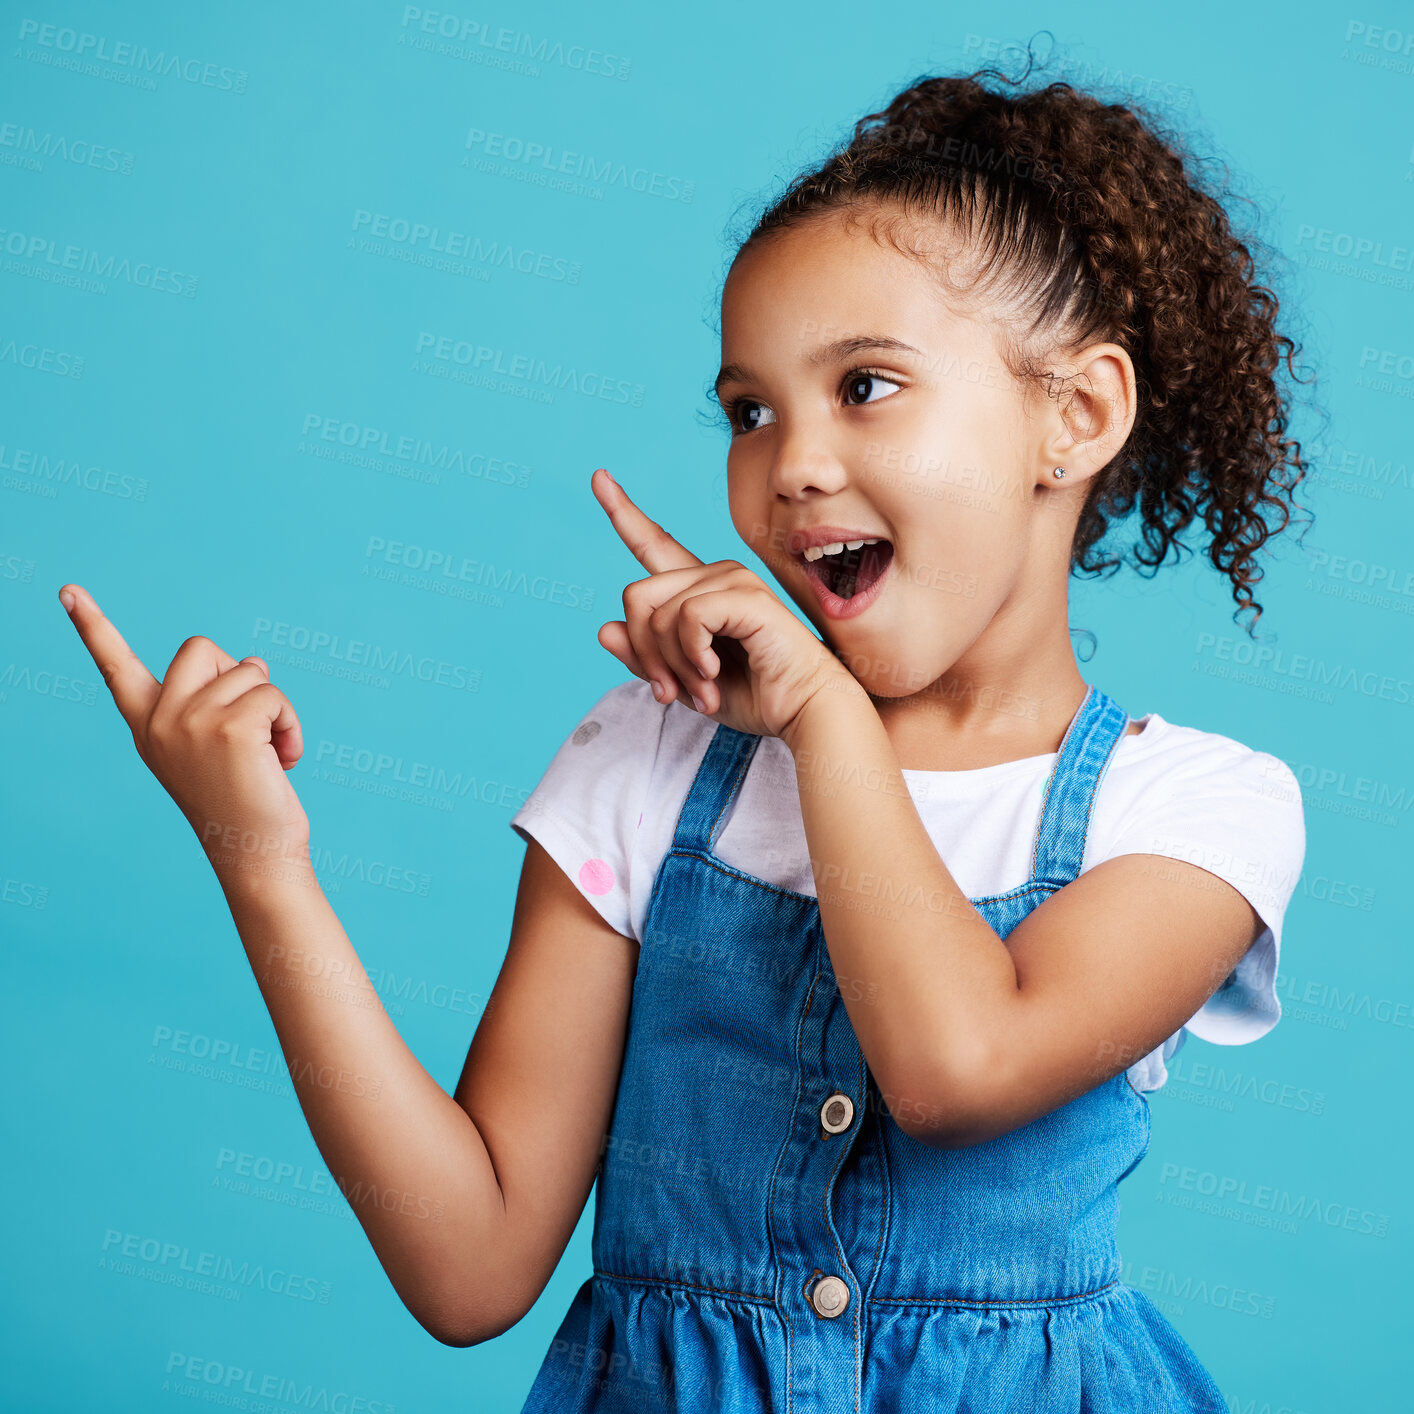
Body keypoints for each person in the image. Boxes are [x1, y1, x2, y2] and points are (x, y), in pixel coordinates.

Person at [59, 49, 1310, 1414]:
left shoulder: (1194, 808)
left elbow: (956, 1063)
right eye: (748, 410)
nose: (791, 462)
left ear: (1072, 417)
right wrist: (261, 861)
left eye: (867, 385)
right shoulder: (646, 760)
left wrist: (826, 717)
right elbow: (467, 1264)